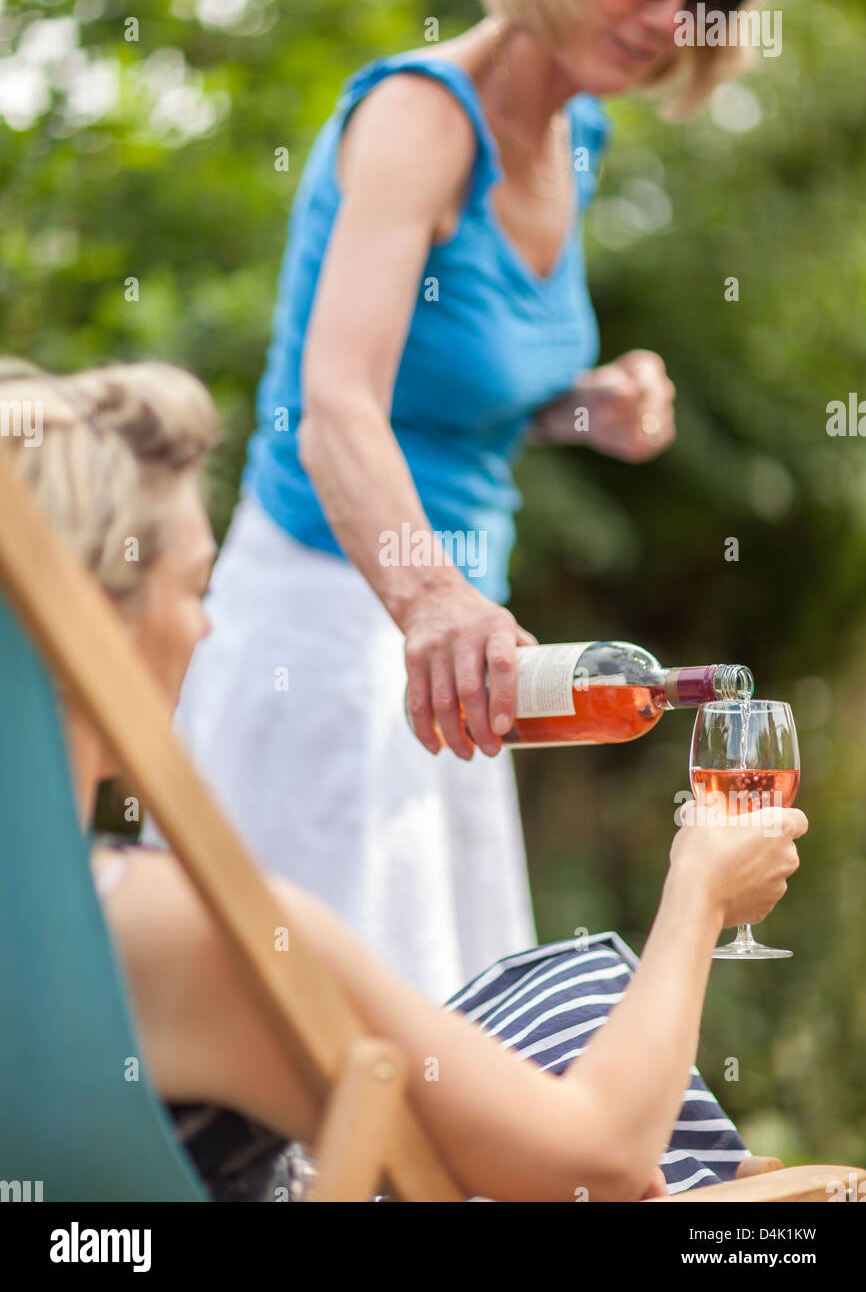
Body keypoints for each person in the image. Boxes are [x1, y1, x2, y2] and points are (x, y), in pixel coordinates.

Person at [148, 0, 772, 1001]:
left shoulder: (577, 134)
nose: (668, 14)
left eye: (707, 0)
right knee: (326, 1054)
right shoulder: (420, 115)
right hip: (336, 624)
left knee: (447, 1035)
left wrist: (587, 409)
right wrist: (429, 598)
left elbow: (462, 396)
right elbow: (334, 399)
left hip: (462, 645)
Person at [0, 360, 806, 1201]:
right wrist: (699, 893)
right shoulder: (189, 931)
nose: (208, 630)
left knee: (568, 995)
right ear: (95, 625)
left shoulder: (45, 926)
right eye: (196, 588)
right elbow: (596, 1158)